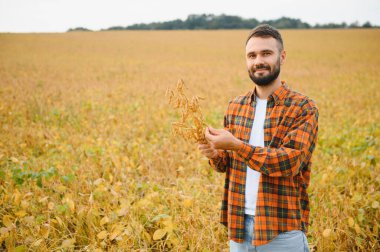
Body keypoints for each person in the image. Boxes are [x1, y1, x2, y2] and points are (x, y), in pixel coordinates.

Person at [198, 24, 319, 252]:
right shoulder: (236, 106)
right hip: (239, 226)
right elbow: (228, 164)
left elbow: (290, 162)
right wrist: (215, 155)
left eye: (266, 53)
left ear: (282, 57)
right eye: (251, 55)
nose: (258, 61)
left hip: (281, 229)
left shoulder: (303, 107)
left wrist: (237, 146)